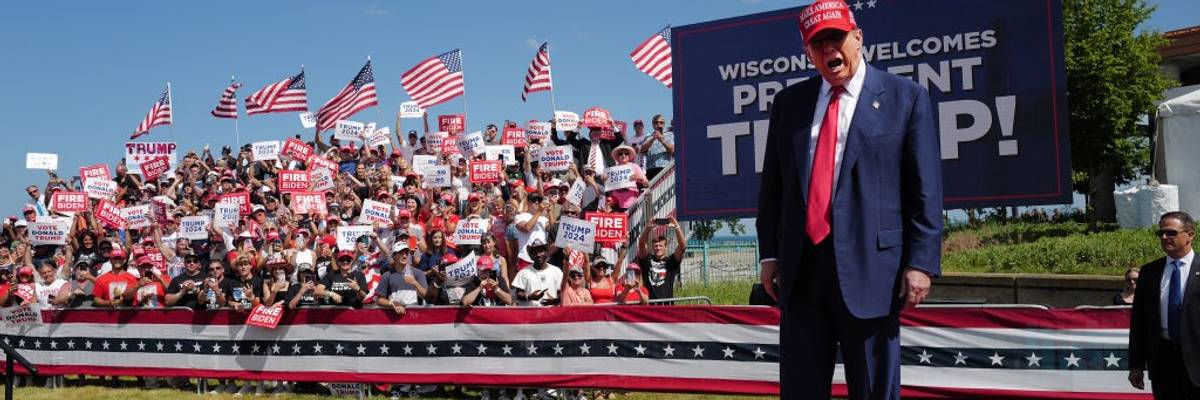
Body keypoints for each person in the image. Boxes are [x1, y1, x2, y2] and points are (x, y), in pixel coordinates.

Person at [756, 1, 943, 398]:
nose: (828, 51)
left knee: (874, 389)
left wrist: (921, 262)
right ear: (807, 52)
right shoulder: (789, 104)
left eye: (835, 38)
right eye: (817, 43)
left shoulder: (905, 98)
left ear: (858, 38)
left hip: (873, 272)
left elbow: (924, 189)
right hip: (802, 272)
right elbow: (774, 187)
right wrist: (769, 254)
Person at [1128, 211, 1200, 398]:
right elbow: (1139, 322)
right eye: (1161, 233)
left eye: (1171, 233)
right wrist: (1136, 364)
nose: (1164, 237)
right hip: (1163, 361)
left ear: (1190, 235)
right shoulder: (1150, 272)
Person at [636, 216, 685, 301]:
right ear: (652, 247)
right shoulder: (647, 260)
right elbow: (641, 244)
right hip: (650, 305)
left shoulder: (671, 262)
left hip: (666, 306)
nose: (658, 248)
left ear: (666, 247)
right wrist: (648, 227)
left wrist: (677, 227)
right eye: (655, 246)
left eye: (660, 245)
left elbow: (682, 246)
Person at [511, 239, 562, 307]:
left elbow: (562, 293)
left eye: (541, 251)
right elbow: (518, 294)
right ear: (531, 255)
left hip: (552, 312)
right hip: (531, 313)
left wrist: (555, 300)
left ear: (546, 252)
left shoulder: (556, 271)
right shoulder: (523, 272)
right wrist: (529, 297)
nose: (538, 255)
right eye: (535, 252)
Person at [638, 114, 674, 180]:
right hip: (650, 169)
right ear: (652, 124)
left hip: (664, 168)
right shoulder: (648, 137)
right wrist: (652, 138)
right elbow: (642, 151)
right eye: (656, 122)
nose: (658, 124)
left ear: (664, 124)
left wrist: (662, 140)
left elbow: (672, 151)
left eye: (661, 122)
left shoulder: (670, 135)